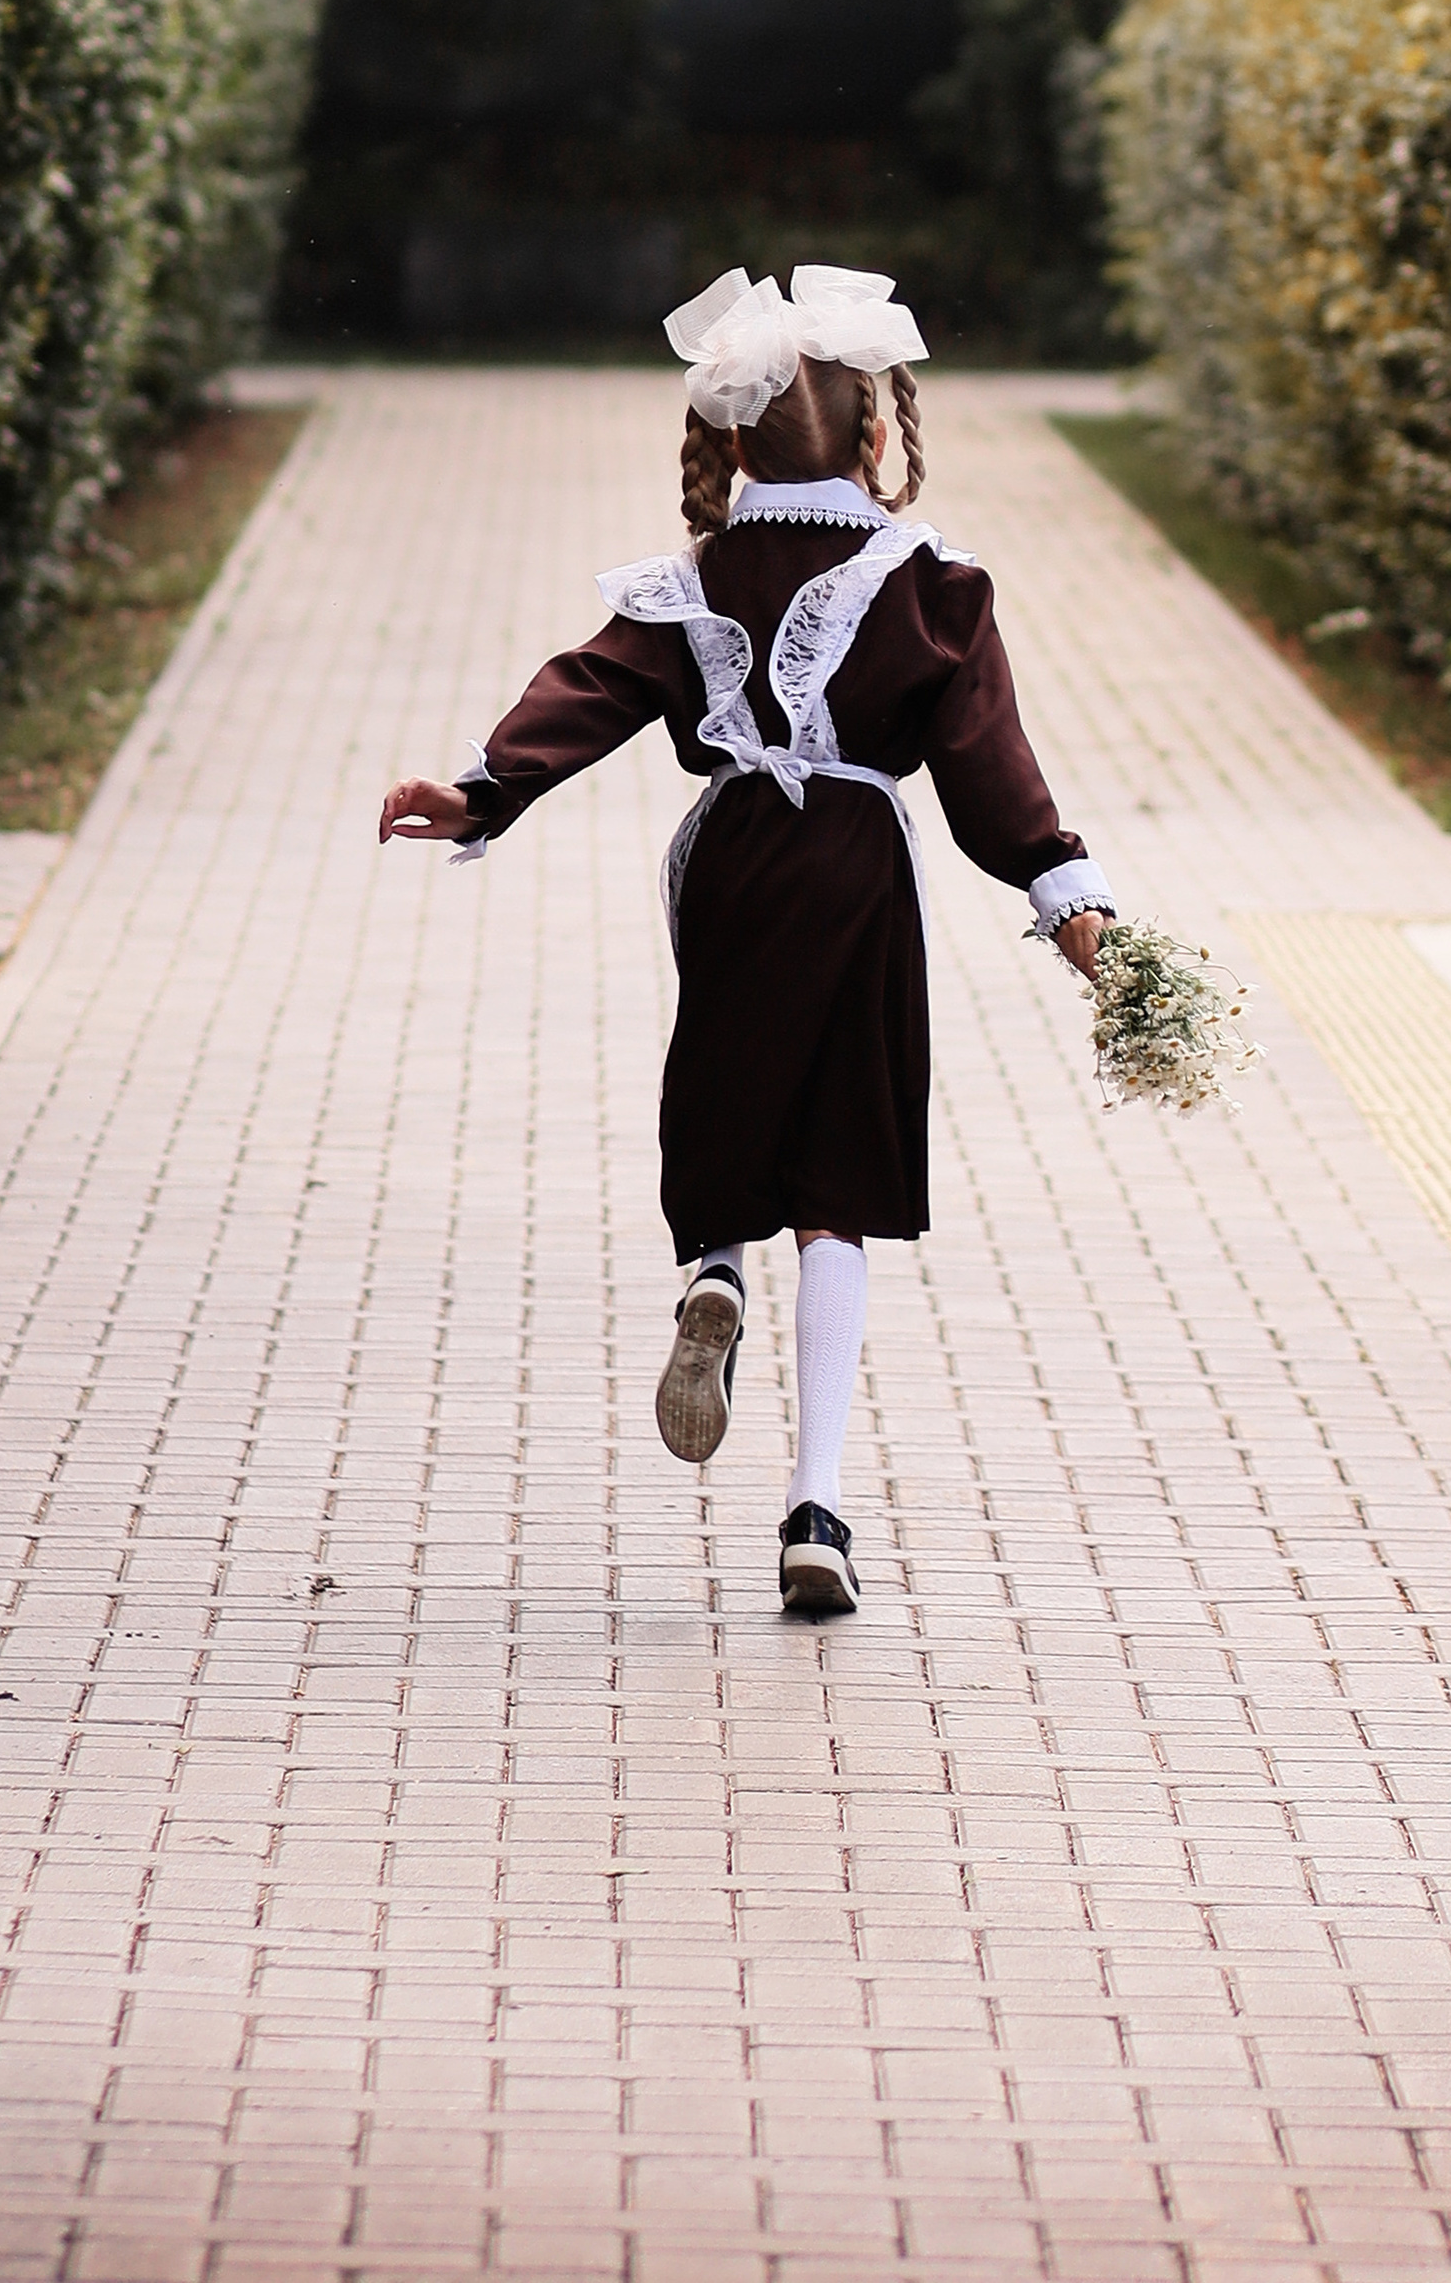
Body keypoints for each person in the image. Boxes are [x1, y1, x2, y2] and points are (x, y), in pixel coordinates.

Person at [380, 266, 1111, 1620]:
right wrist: (1079, 913)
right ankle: (815, 1506)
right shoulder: (931, 585)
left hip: (731, 863)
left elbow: (587, 688)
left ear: (729, 441)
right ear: (880, 436)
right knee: (841, 1176)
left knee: (724, 1091)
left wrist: (477, 790)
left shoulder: (692, 578)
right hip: (857, 871)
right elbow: (994, 780)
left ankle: (714, 1266)